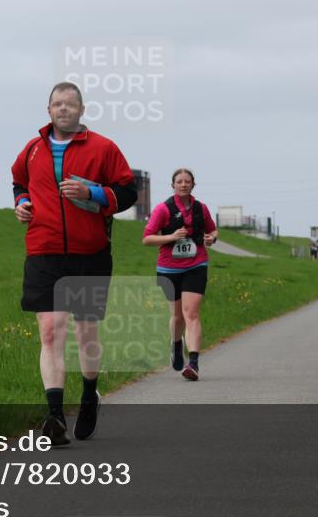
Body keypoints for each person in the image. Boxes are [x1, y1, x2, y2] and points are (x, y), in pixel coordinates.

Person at [11, 82, 136, 445]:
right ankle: (53, 416)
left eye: (70, 104)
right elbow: (19, 182)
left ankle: (88, 396)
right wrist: (21, 203)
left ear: (81, 110)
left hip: (90, 254)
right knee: (51, 332)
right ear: (48, 110)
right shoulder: (32, 150)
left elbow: (127, 191)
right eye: (56, 104)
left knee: (85, 333)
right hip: (43, 251)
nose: (63, 109)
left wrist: (93, 193)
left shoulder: (104, 148)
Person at [142, 168, 218, 381]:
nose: (183, 184)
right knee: (177, 316)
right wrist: (172, 236)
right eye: (179, 181)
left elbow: (213, 230)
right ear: (173, 185)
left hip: (196, 265)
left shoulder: (201, 208)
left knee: (191, 313)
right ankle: (176, 346)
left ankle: (193, 364)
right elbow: (147, 238)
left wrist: (212, 239)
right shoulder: (162, 209)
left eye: (187, 181)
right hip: (168, 269)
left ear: (193, 184)